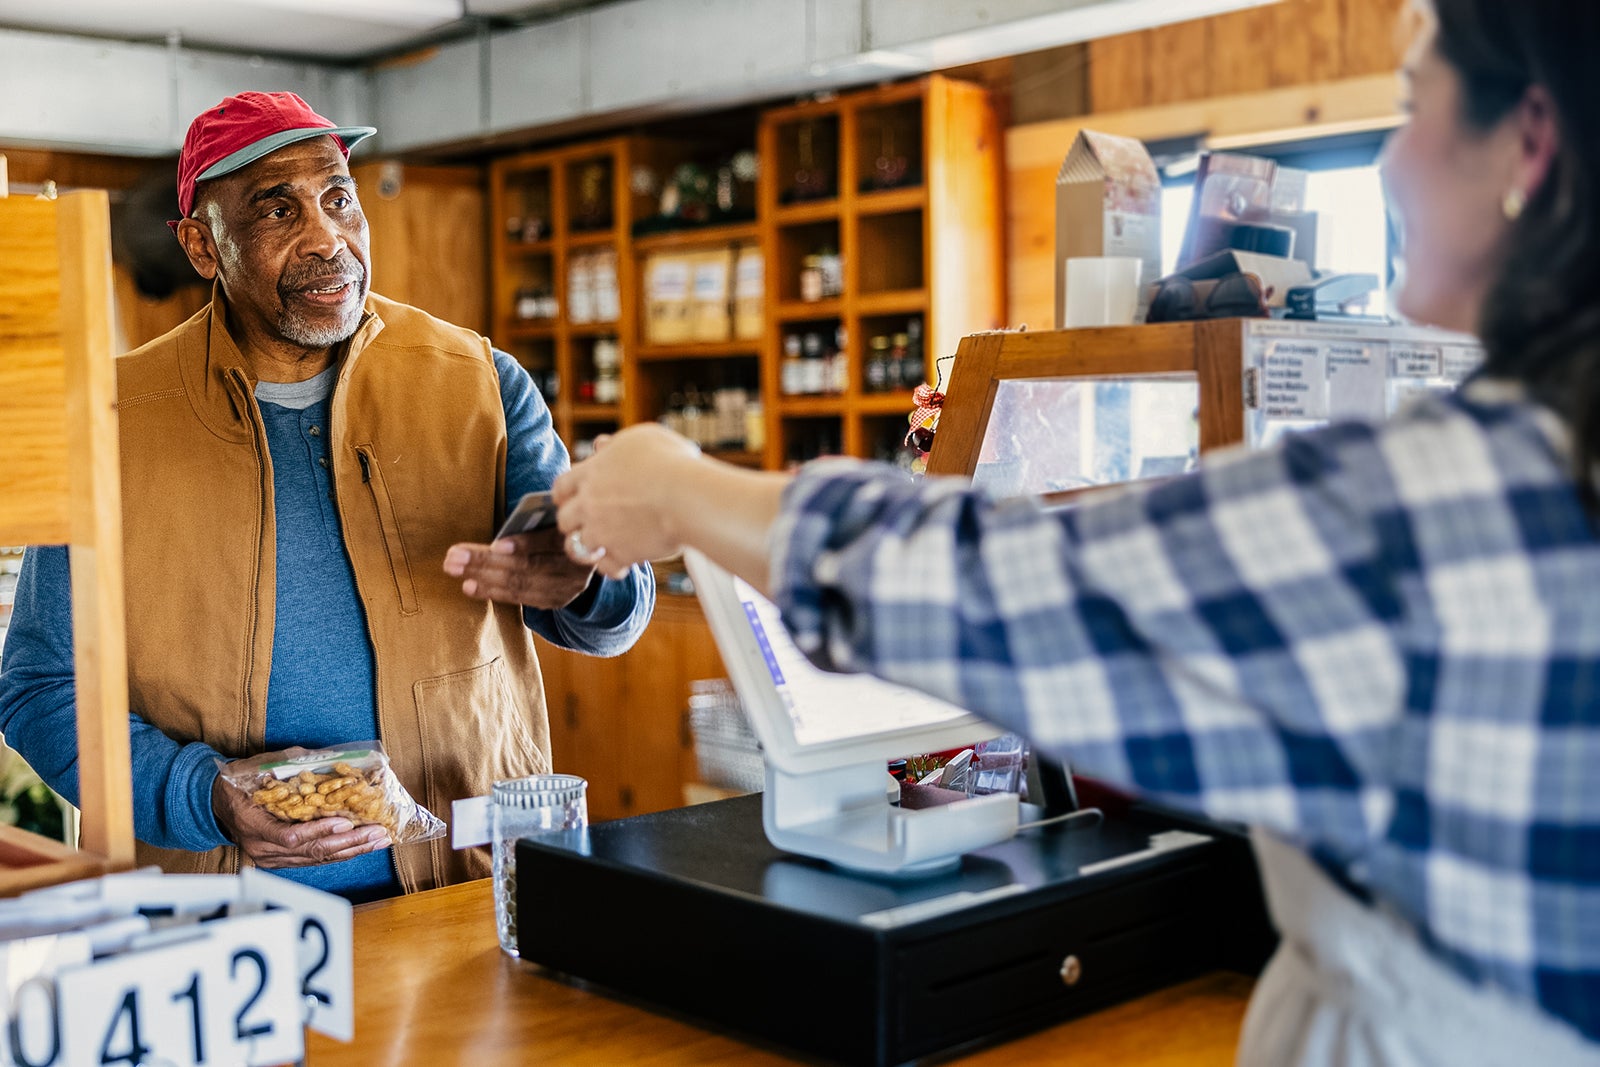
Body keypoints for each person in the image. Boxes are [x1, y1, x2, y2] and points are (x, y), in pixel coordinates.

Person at [449, 1, 1600, 1061]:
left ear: (1528, 143)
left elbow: (1010, 591)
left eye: (1410, 105)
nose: (1393, 158)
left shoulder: (1453, 502)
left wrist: (689, 490)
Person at [0, 91, 654, 902]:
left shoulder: (480, 383)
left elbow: (619, 610)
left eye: (338, 198)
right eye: (278, 209)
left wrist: (588, 582)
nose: (327, 238)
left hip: (462, 894)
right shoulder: (110, 419)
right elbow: (39, 686)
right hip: (219, 923)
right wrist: (200, 794)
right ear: (203, 245)